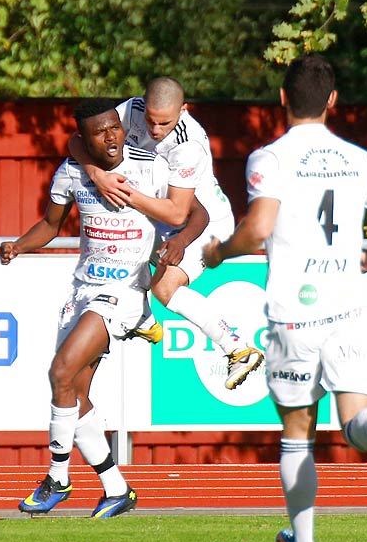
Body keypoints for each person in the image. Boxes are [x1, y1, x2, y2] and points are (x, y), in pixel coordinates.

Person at [202, 54, 367, 542]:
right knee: (353, 424)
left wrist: (218, 253)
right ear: (333, 102)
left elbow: (257, 230)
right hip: (350, 307)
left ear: (281, 98)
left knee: (298, 435)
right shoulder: (357, 158)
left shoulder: (268, 158)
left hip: (295, 315)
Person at [0, 97, 210, 518]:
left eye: (115, 126)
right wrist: (18, 246)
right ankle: (117, 488)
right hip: (83, 291)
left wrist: (179, 244)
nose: (113, 136)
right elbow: (50, 225)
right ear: (83, 139)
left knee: (60, 371)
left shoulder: (148, 164)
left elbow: (196, 214)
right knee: (74, 394)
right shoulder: (73, 172)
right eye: (101, 132)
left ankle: (57, 478)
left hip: (125, 292)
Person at [69, 77, 265, 390]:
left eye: (164, 123)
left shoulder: (189, 145)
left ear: (183, 112)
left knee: (166, 287)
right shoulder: (130, 110)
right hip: (162, 216)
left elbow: (180, 211)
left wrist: (126, 194)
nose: (155, 130)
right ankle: (143, 319)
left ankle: (237, 349)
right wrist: (96, 174)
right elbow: (79, 138)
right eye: (150, 120)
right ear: (141, 106)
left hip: (203, 224)